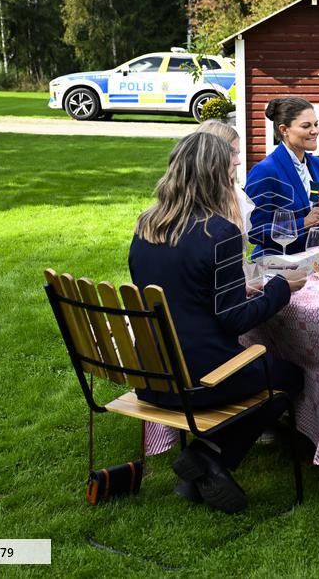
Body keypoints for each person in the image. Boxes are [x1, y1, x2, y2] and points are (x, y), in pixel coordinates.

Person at [129, 130, 307, 512]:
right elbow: (234, 322)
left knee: (269, 369)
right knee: (291, 375)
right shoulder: (219, 233)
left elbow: (183, 290)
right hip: (200, 380)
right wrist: (281, 288)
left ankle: (204, 464)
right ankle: (212, 455)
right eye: (230, 171)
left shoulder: (146, 225)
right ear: (214, 177)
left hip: (152, 373)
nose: (236, 174)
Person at [245, 97, 319, 257]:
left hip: (316, 258)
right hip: (278, 264)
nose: (315, 131)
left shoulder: (318, 164)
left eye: (316, 124)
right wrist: (302, 223)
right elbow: (255, 231)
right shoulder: (265, 171)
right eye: (306, 126)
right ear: (284, 129)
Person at [196, 119, 254, 233]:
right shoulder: (183, 200)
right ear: (211, 154)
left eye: (237, 154)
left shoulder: (238, 199)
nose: (238, 162)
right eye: (232, 153)